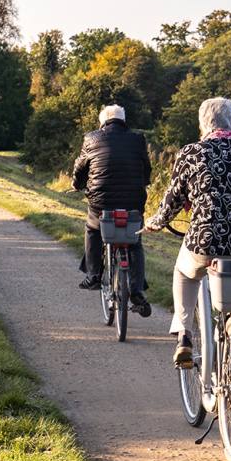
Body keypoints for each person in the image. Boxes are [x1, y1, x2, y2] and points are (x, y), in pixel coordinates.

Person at [146, 97, 231, 384]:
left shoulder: (192, 153)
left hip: (206, 241)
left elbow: (172, 201)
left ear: (202, 124)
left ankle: (184, 334)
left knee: (184, 271)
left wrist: (155, 224)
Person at [72, 104, 151, 315]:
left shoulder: (92, 138)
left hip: (101, 201)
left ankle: (93, 276)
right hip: (133, 201)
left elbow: (81, 167)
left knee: (93, 229)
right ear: (123, 120)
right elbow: (146, 169)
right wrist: (144, 183)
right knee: (134, 241)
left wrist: (76, 184)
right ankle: (137, 291)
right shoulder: (138, 139)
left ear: (103, 122)